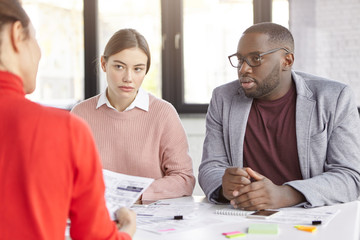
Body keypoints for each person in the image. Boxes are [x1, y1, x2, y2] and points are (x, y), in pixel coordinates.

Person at [0, 0, 136, 239]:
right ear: (16, 34)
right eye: (36, 39)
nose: (39, 53)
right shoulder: (63, 129)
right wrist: (127, 230)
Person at [198, 22, 360, 210]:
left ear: (287, 60)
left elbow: (350, 176)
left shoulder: (334, 97)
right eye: (240, 59)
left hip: (311, 216)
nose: (243, 69)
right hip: (245, 215)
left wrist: (287, 194)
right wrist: (224, 185)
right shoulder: (223, 98)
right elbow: (210, 167)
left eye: (255, 58)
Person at [71, 28, 195, 201]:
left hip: (152, 217)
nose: (128, 78)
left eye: (137, 69)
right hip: (96, 214)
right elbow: (68, 175)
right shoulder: (80, 114)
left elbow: (184, 179)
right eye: (119, 67)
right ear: (104, 64)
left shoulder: (163, 114)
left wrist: (134, 194)